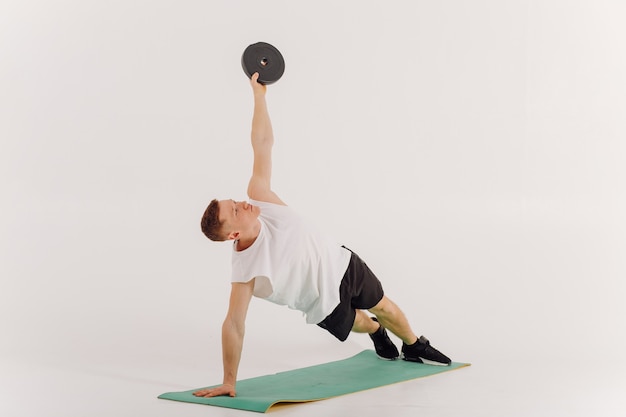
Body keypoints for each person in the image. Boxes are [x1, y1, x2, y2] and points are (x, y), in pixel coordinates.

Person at [194, 73, 451, 398]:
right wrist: (229, 381)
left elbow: (262, 144)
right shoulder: (244, 269)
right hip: (322, 305)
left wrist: (259, 96)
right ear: (233, 234)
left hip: (341, 263)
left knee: (385, 306)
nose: (243, 204)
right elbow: (233, 324)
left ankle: (414, 345)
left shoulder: (260, 196)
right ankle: (376, 332)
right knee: (364, 322)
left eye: (235, 202)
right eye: (235, 211)